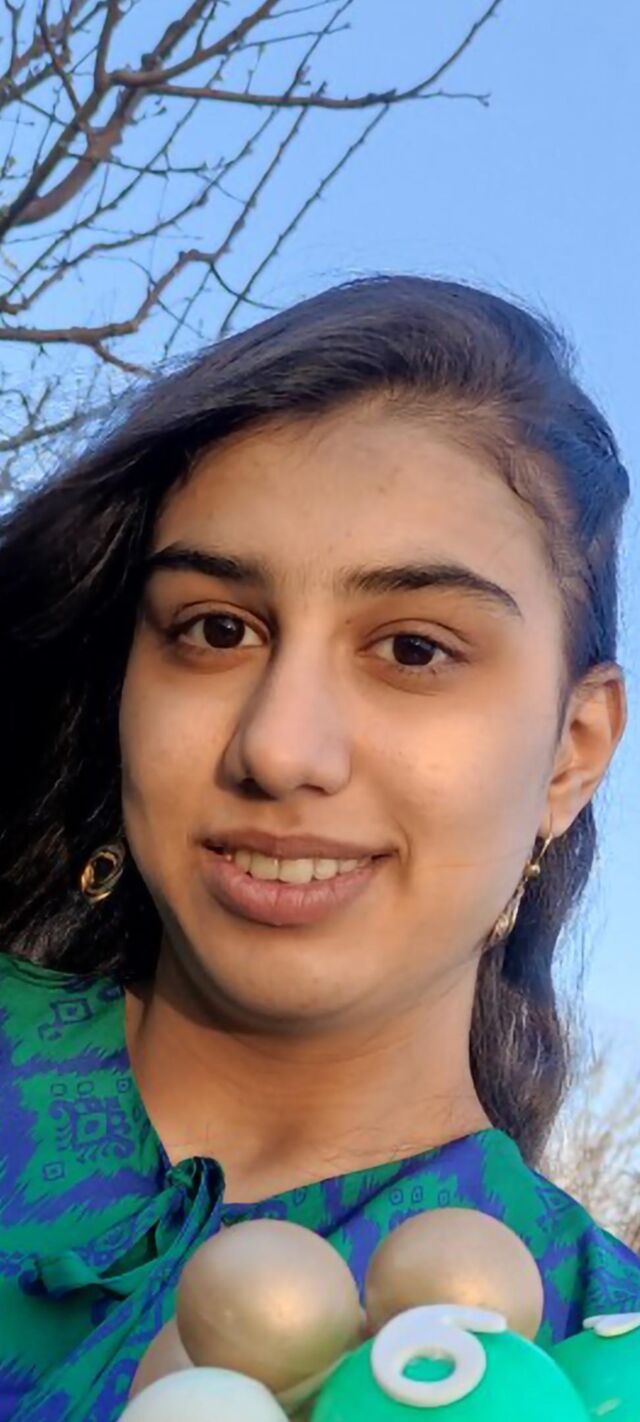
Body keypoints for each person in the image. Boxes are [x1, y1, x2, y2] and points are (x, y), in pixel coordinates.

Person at [1, 275, 639, 1422]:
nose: (279, 748)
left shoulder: (593, 1357)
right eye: (215, 629)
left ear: (571, 753)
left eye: (413, 649)